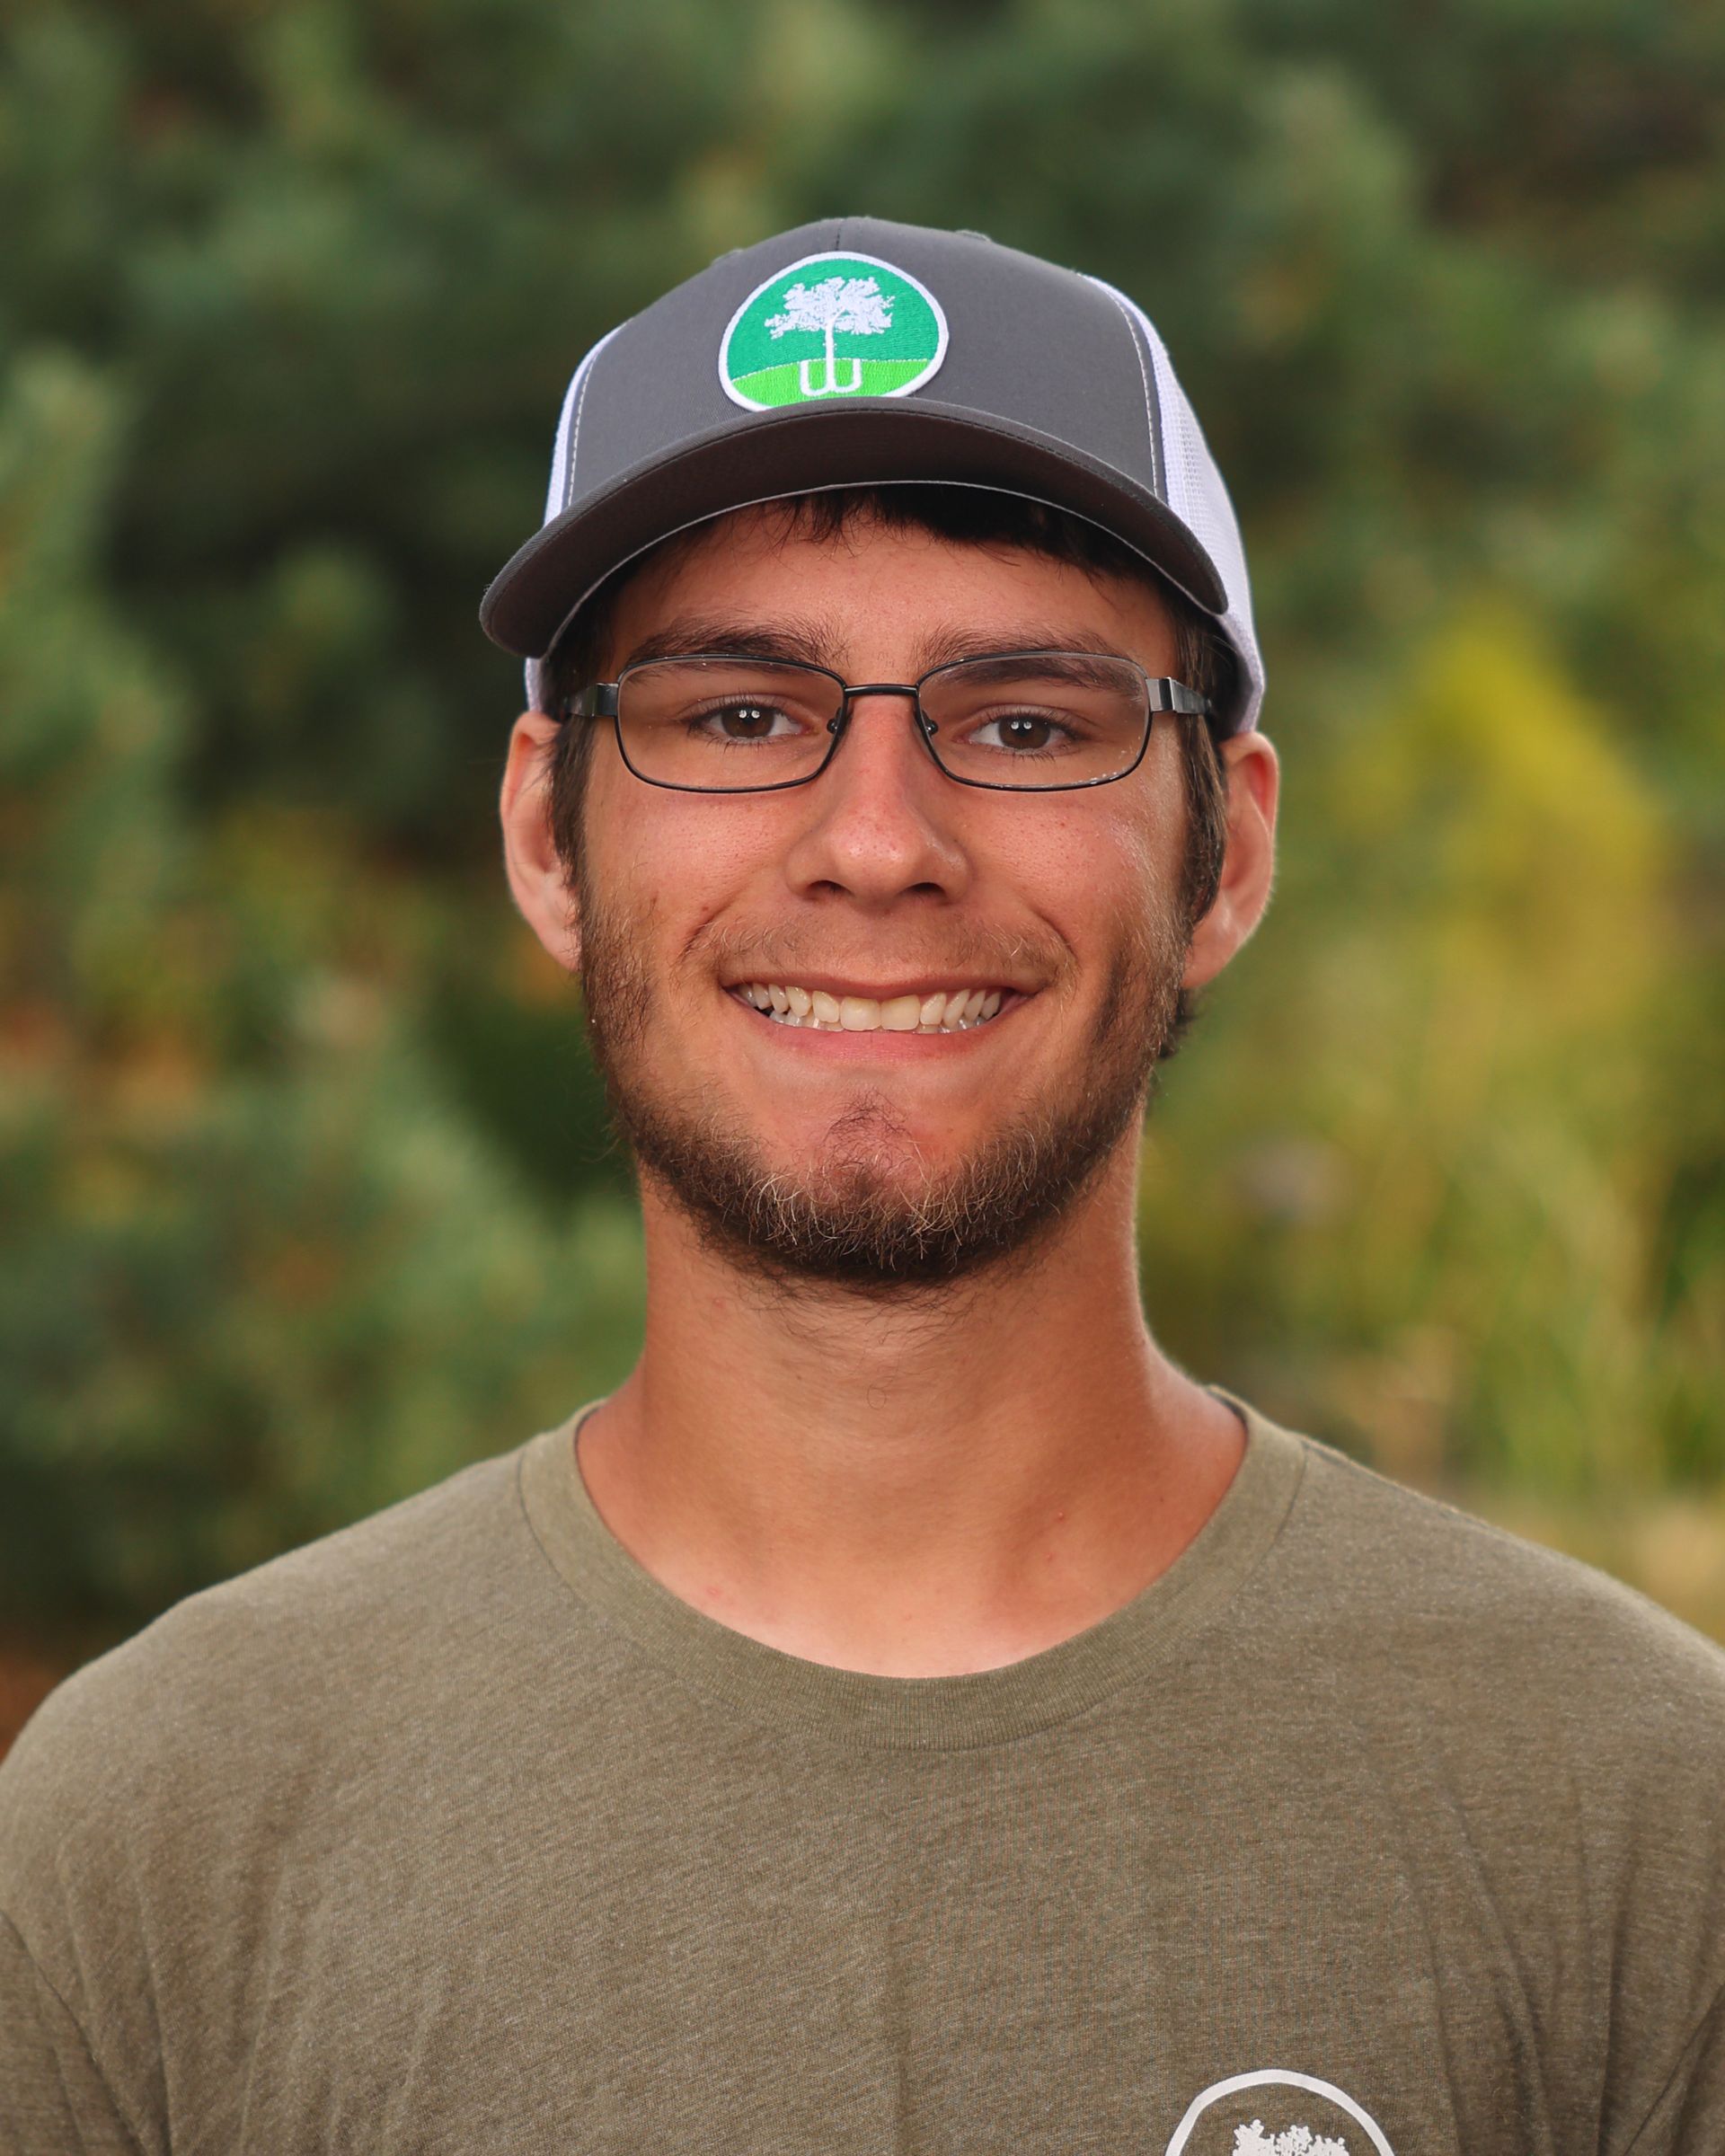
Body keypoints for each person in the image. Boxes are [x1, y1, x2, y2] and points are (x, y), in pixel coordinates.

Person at [1, 216, 1721, 2155]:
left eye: (1025, 723)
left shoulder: (1638, 1820)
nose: (878, 842)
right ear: (546, 840)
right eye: (738, 716)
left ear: (1224, 856)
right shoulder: (158, 1831)